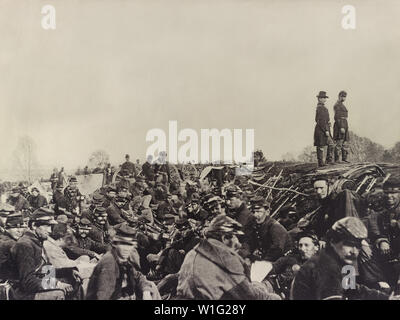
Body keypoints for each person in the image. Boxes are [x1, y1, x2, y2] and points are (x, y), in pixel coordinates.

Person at [176, 214, 277, 300]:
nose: (238, 243)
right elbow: (248, 295)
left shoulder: (193, 252)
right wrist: (260, 286)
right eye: (235, 237)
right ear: (225, 238)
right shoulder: (224, 259)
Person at [291, 217, 391, 300]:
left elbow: (352, 289)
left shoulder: (343, 260)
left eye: (357, 246)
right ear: (333, 241)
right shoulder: (325, 265)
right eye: (348, 244)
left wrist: (385, 297)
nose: (354, 251)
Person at [11, 208, 79, 300]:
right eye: (46, 226)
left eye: (51, 227)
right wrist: (56, 284)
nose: (50, 231)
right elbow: (27, 282)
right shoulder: (25, 245)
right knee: (59, 293)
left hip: (32, 288)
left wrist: (68, 272)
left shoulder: (36, 241)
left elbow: (45, 270)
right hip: (20, 294)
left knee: (72, 280)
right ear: (34, 225)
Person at [86, 223, 157, 300]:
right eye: (123, 244)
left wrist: (146, 291)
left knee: (151, 286)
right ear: (116, 244)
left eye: (129, 245)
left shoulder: (121, 259)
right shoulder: (109, 263)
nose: (126, 249)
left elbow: (138, 275)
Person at [367, 176, 400, 286]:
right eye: (386, 192)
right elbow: (374, 226)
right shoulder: (379, 210)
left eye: (394, 192)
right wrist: (381, 240)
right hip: (385, 256)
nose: (389, 196)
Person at [267, 232, 320, 299]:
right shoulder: (291, 258)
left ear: (316, 248)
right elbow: (271, 268)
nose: (302, 249)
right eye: (300, 245)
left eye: (306, 245)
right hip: (276, 290)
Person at [241, 196, 293, 262]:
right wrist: (246, 255)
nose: (255, 215)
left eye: (258, 211)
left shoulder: (275, 227)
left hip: (282, 260)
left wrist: (262, 263)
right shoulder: (254, 224)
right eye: (253, 212)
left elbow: (277, 250)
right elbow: (248, 240)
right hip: (266, 257)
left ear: (267, 212)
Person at [0, 213, 26, 282]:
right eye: (15, 227)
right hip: (10, 283)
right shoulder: (10, 243)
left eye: (21, 227)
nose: (19, 231)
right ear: (6, 228)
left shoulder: (3, 239)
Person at [313, 91, 334, 167]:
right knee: (321, 146)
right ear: (319, 99)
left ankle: (328, 161)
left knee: (330, 144)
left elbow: (324, 119)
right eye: (323, 98)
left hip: (324, 128)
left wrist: (328, 124)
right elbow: (320, 121)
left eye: (325, 98)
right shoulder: (320, 108)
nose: (325, 99)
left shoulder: (322, 107)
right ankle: (321, 163)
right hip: (321, 130)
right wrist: (326, 130)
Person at [333, 91, 350, 163]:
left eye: (344, 96)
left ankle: (344, 159)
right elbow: (337, 117)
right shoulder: (337, 105)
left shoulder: (342, 105)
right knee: (339, 142)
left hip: (345, 123)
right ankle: (337, 160)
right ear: (339, 96)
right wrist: (341, 127)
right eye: (342, 96)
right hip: (340, 124)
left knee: (345, 142)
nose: (343, 98)